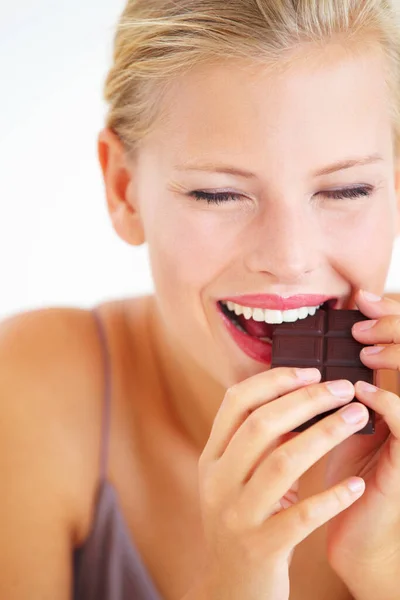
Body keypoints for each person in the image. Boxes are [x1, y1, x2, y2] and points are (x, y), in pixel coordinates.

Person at [1, 0, 400, 598]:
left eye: (347, 189)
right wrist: (235, 583)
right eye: (218, 195)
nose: (290, 257)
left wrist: (386, 569)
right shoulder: (32, 389)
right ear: (124, 190)